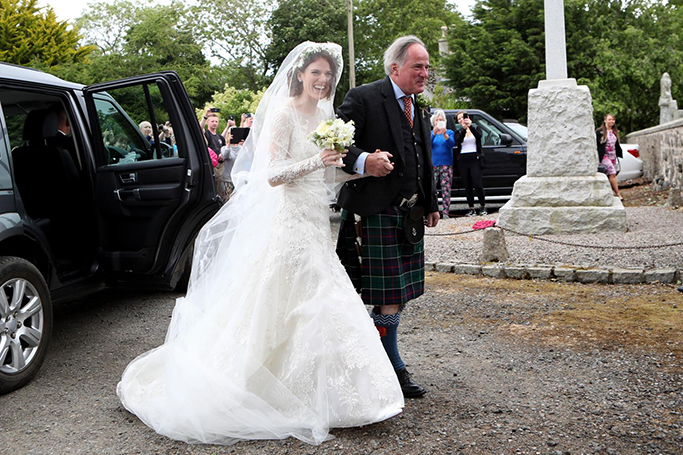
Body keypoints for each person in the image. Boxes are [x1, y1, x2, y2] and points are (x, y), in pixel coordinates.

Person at [117, 42, 404, 446]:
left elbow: (325, 178)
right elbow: (269, 175)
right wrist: (316, 161)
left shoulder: (325, 115)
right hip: (288, 221)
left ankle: (338, 395)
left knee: (323, 299)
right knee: (287, 297)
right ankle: (267, 389)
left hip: (315, 221)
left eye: (328, 74)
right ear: (301, 74)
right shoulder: (285, 113)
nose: (323, 81)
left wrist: (361, 173)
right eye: (316, 73)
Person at [335, 35, 439, 399]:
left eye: (426, 66)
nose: (425, 72)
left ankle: (380, 360)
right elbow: (335, 146)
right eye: (418, 66)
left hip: (409, 215)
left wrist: (431, 202)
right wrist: (365, 161)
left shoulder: (418, 106)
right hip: (373, 210)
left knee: (398, 295)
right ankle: (391, 367)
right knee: (386, 295)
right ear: (395, 69)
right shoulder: (363, 98)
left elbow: (423, 158)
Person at [454, 110, 486, 216]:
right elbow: (458, 141)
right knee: (467, 185)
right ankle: (471, 208)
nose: (461, 120)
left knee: (477, 183)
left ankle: (482, 206)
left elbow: (479, 136)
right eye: (459, 119)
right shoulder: (458, 132)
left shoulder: (475, 128)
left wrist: (470, 126)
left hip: (475, 159)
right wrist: (464, 129)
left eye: (462, 117)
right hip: (463, 159)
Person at [430, 109, 455, 218]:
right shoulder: (430, 133)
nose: (438, 122)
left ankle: (445, 212)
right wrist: (434, 133)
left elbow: (451, 144)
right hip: (433, 164)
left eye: (441, 120)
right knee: (432, 189)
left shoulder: (449, 132)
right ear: (433, 122)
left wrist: (444, 134)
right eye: (437, 120)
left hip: (446, 164)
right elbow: (428, 145)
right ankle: (432, 210)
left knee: (446, 190)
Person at [596, 114, 623, 200]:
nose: (611, 121)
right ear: (605, 120)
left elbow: (616, 144)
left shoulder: (615, 131)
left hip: (613, 155)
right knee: (612, 172)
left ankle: (609, 192)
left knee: (610, 175)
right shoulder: (600, 131)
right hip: (604, 156)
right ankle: (618, 194)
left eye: (613, 120)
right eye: (609, 119)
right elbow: (596, 144)